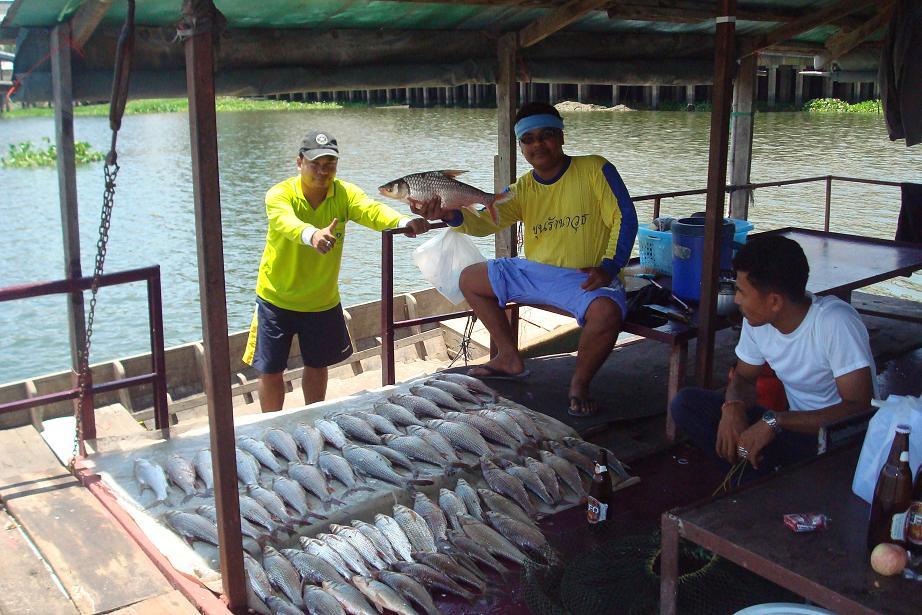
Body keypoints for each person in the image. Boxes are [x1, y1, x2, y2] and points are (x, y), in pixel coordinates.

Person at [412, 102, 638, 416]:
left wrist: (609, 266)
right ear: (521, 146)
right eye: (528, 139)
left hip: (585, 276)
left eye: (546, 135)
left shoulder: (595, 169)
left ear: (561, 137)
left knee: (607, 313)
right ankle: (508, 357)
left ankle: (579, 385)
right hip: (534, 271)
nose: (537, 144)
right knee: (469, 279)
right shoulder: (523, 188)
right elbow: (484, 223)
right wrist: (449, 213)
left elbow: (624, 217)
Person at [243, 130, 430, 411]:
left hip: (321, 299)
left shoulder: (344, 194)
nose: (322, 171)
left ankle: (314, 418)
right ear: (299, 163)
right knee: (270, 370)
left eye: (329, 164)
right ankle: (270, 427)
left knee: (317, 364)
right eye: (315, 164)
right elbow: (284, 221)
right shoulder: (279, 194)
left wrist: (403, 221)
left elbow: (371, 210)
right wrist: (311, 235)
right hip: (276, 298)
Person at [671, 235, 876, 476]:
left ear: (775, 301)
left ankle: (756, 477)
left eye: (741, 291)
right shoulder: (757, 321)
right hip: (790, 429)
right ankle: (759, 474)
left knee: (774, 449)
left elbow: (859, 409)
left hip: (838, 441)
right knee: (687, 404)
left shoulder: (834, 322)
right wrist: (733, 406)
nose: (736, 299)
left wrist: (776, 421)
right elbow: (744, 378)